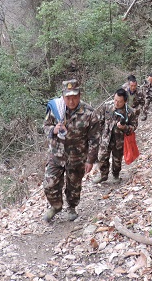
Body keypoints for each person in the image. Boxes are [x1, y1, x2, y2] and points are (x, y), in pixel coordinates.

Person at [42, 79, 100, 222]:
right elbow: (45, 126)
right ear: (63, 96)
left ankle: (72, 207)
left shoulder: (89, 113)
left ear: (79, 95)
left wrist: (90, 160)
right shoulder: (56, 109)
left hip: (77, 157)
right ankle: (56, 206)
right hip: (56, 155)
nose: (71, 101)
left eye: (74, 97)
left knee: (74, 186)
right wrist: (53, 130)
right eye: (68, 98)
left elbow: (94, 139)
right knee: (49, 184)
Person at [92, 88, 138, 184]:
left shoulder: (130, 112)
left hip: (119, 140)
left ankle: (116, 175)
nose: (116, 103)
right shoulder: (107, 106)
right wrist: (98, 134)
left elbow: (134, 127)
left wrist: (125, 127)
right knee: (101, 157)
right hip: (106, 138)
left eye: (119, 101)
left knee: (117, 160)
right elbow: (100, 120)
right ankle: (103, 175)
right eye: (115, 100)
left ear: (125, 101)